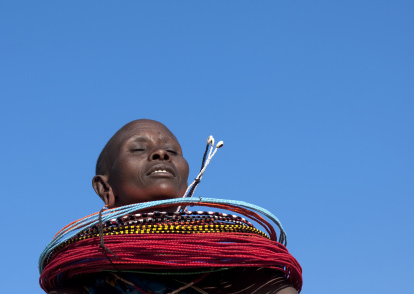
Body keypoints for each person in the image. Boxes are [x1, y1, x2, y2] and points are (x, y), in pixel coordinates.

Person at [49, 119, 298, 294]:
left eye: (171, 151)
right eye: (138, 148)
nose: (161, 154)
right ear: (105, 189)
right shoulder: (85, 278)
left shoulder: (232, 269)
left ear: (185, 184)